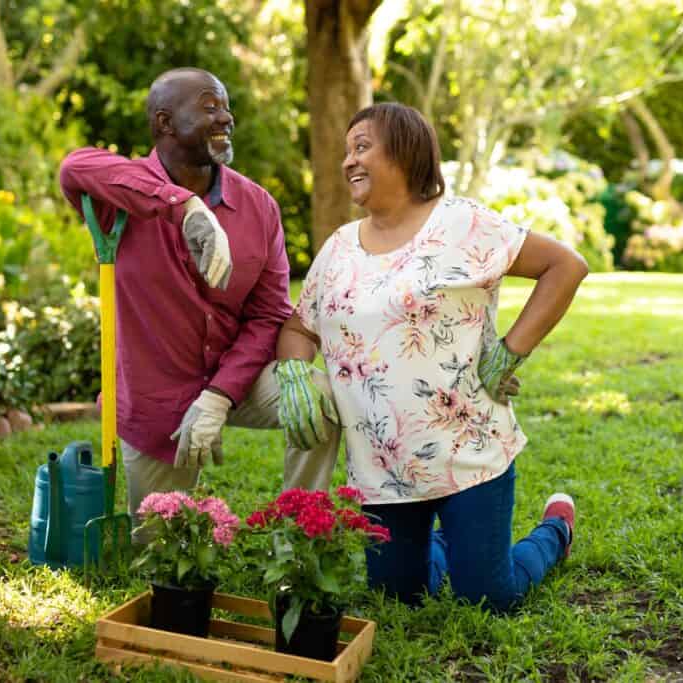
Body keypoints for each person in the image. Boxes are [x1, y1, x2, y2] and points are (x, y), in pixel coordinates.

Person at [275, 102, 588, 610]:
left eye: (362, 147)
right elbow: (297, 327)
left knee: (489, 598)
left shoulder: (461, 223)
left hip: (468, 454)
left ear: (405, 151)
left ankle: (554, 531)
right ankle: (451, 545)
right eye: (346, 151)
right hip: (381, 471)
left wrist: (510, 352)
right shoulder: (337, 249)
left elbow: (565, 266)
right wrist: (293, 370)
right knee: (399, 597)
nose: (349, 161)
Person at [58, 68, 340, 529]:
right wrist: (182, 205)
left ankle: (298, 539)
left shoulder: (258, 206)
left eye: (226, 106)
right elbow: (75, 168)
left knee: (320, 398)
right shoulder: (121, 195)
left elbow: (268, 314)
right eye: (210, 106)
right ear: (164, 123)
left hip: (237, 379)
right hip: (156, 400)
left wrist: (219, 395)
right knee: (160, 550)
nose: (226, 117)